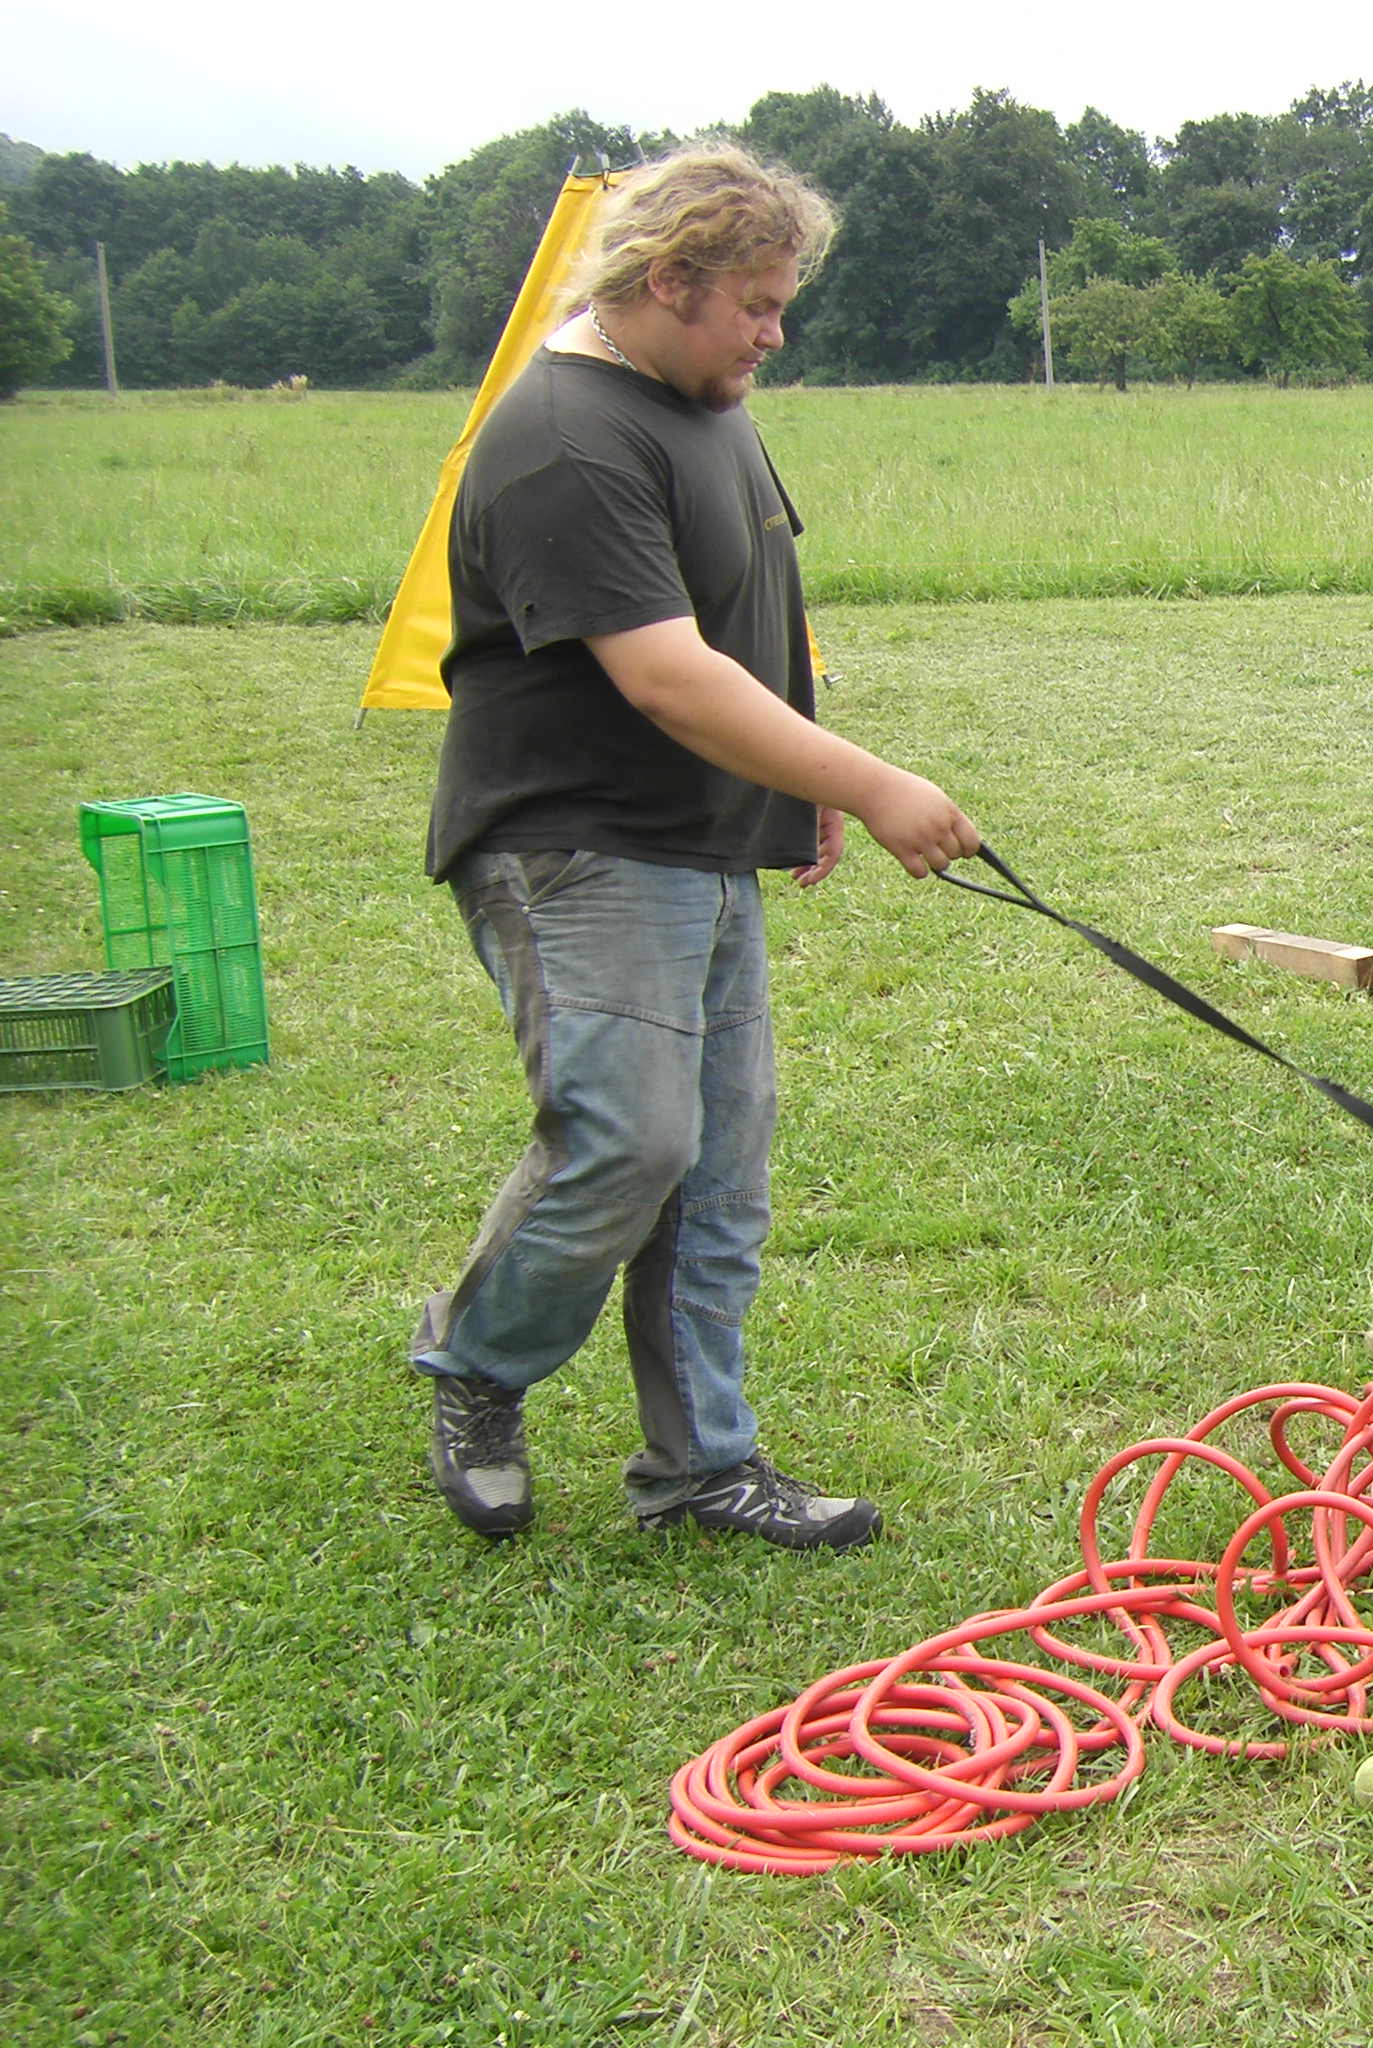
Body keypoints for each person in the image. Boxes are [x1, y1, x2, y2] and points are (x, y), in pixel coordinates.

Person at [411, 142, 979, 1549]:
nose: (776, 334)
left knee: (719, 1174)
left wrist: (802, 791)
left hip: (699, 842)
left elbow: (752, 607)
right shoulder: (562, 434)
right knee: (629, 1140)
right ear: (666, 281)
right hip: (575, 844)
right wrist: (879, 779)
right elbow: (666, 674)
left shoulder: (705, 399)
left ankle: (701, 1466)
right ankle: (478, 1366)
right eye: (758, 304)